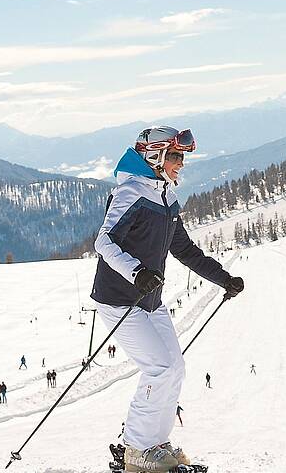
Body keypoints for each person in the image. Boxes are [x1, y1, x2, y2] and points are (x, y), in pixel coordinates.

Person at [91, 126, 244, 473]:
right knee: (158, 368)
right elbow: (104, 242)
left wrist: (224, 279)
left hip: (150, 301)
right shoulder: (131, 192)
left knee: (175, 369)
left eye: (182, 157)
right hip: (119, 300)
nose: (181, 164)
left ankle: (157, 445)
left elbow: (184, 249)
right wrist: (136, 272)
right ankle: (136, 450)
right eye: (175, 156)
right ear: (155, 156)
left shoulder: (165, 196)